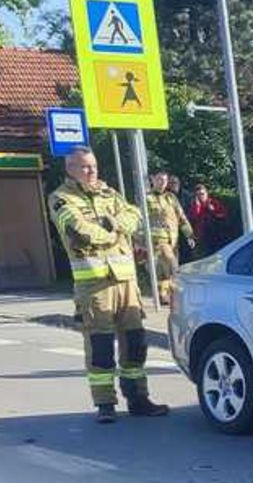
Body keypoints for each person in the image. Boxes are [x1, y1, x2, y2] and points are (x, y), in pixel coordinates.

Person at [47, 148, 169, 422]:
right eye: (85, 167)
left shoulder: (109, 193)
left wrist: (110, 224)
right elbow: (80, 232)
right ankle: (105, 404)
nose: (91, 172)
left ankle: (138, 398)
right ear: (70, 169)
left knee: (136, 342)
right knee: (100, 347)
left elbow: (134, 216)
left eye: (94, 166)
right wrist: (114, 231)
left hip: (126, 281)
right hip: (94, 286)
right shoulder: (60, 199)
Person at [146, 167, 195, 303]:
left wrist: (189, 234)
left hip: (172, 240)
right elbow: (139, 220)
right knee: (173, 267)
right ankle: (177, 295)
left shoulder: (171, 197)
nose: (163, 182)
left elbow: (181, 217)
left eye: (165, 179)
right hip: (158, 242)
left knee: (165, 273)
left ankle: (165, 297)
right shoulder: (147, 198)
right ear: (152, 179)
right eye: (159, 179)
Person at [186, 182, 231, 255]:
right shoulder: (194, 206)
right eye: (198, 195)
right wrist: (197, 206)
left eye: (202, 194)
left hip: (215, 236)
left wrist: (212, 210)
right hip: (201, 237)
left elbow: (223, 216)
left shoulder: (213, 203)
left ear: (206, 193)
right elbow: (192, 218)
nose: (201, 197)